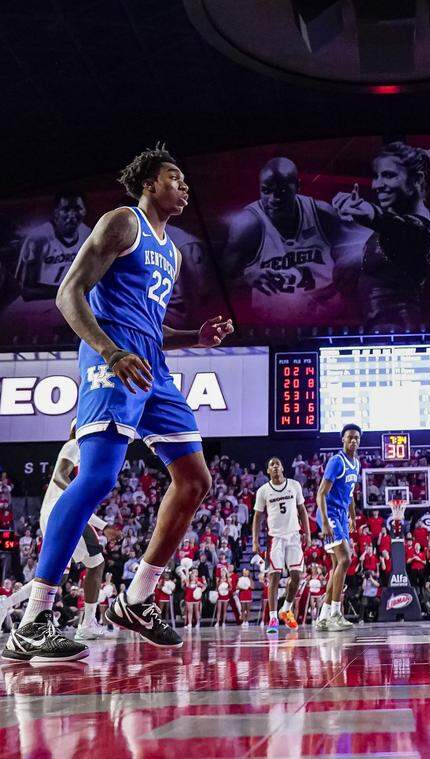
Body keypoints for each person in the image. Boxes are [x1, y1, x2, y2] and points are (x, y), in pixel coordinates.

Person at [3, 145, 233, 663]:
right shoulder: (121, 223)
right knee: (100, 478)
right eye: (175, 177)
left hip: (150, 362)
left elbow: (152, 326)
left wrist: (193, 337)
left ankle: (137, 599)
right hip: (113, 357)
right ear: (150, 183)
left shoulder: (171, 251)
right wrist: (110, 350)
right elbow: (69, 293)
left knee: (195, 481)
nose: (185, 186)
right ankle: (35, 617)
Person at [0, 421, 120, 640]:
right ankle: (88, 624)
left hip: (54, 514)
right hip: (64, 512)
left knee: (57, 576)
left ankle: (5, 604)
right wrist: (104, 526)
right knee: (96, 563)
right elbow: (59, 477)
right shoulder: (74, 444)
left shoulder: (82, 454)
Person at [224, 157, 354, 325]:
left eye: (282, 191)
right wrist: (247, 277)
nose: (274, 198)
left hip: (328, 320)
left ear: (297, 186)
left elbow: (351, 257)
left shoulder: (322, 213)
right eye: (266, 191)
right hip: (275, 328)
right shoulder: (248, 222)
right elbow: (225, 276)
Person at [332, 142, 430, 330]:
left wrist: (371, 214)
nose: (377, 185)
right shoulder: (392, 227)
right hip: (379, 335)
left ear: (416, 179)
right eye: (376, 176)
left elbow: (406, 230)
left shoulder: (419, 229)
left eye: (389, 175)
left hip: (398, 335)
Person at [5, 191, 91, 332]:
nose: (72, 214)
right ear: (56, 212)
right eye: (66, 209)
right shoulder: (38, 239)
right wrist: (68, 291)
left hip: (68, 303)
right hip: (37, 306)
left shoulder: (87, 234)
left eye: (77, 209)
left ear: (85, 211)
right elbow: (27, 291)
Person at [252, 456, 310, 633]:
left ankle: (286, 609)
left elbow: (302, 510)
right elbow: (257, 517)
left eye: (277, 463)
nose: (275, 466)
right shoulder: (263, 491)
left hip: (294, 536)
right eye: (271, 465)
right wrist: (255, 540)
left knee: (297, 576)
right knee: (274, 577)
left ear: (283, 467)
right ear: (268, 471)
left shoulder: (294, 485)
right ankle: (273, 618)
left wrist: (307, 532)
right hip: (275, 538)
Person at [315, 425, 360, 632]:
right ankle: (335, 613)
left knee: (336, 566)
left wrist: (352, 516)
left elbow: (350, 494)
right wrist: (324, 521)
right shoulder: (336, 461)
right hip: (330, 513)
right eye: (350, 438)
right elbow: (321, 493)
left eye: (356, 438)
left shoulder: (356, 463)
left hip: (341, 515)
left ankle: (322, 617)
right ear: (343, 439)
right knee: (345, 559)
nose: (353, 441)